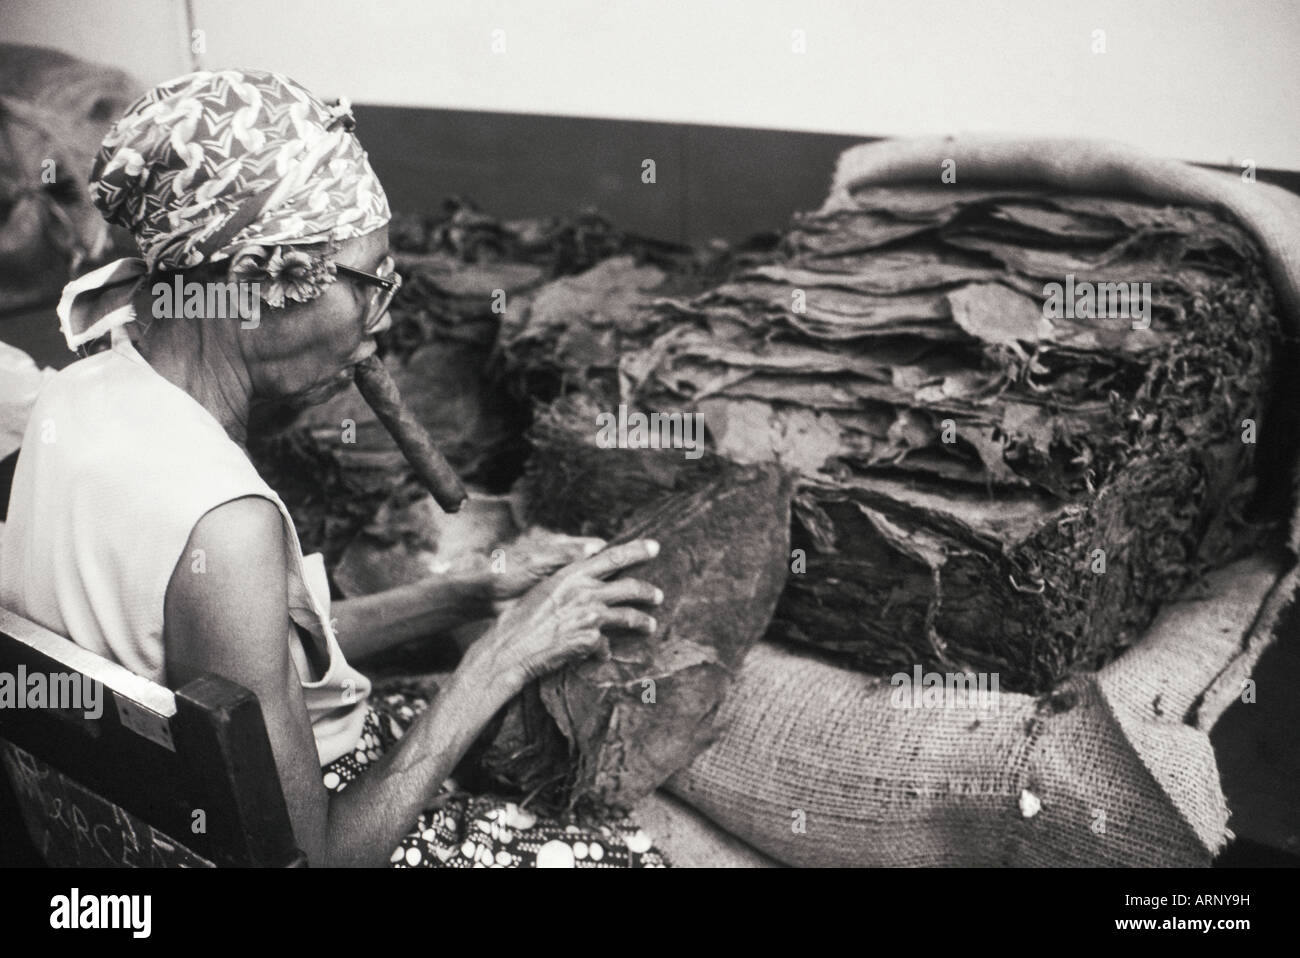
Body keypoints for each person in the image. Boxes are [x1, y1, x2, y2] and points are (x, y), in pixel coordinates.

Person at [0, 69, 667, 868]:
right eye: (366, 282)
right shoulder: (223, 520)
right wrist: (502, 654)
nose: (378, 321)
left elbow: (232, 658)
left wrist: (462, 595)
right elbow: (312, 860)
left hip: (149, 823)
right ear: (249, 285)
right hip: (295, 839)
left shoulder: (73, 397)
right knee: (629, 853)